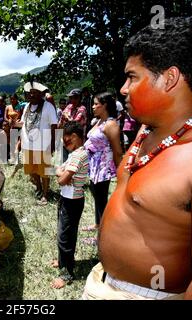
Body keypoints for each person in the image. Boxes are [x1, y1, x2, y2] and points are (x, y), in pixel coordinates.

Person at [83, 17, 192, 300]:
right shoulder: (147, 131)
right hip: (102, 281)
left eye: (132, 77)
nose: (123, 89)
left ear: (170, 78)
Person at [51, 121, 89, 289]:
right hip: (68, 198)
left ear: (74, 137)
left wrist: (62, 174)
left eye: (65, 139)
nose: (64, 144)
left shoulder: (77, 156)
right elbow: (60, 170)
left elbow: (61, 179)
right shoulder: (77, 153)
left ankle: (67, 274)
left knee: (65, 237)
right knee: (63, 232)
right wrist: (63, 173)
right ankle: (61, 262)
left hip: (72, 201)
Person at [82, 92, 122, 233]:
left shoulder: (111, 124)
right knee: (96, 196)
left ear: (104, 105)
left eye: (96, 104)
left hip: (103, 166)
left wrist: (120, 172)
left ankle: (104, 232)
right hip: (94, 165)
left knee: (101, 199)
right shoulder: (98, 121)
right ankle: (98, 224)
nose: (92, 107)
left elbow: (117, 151)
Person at [17, 81, 58, 205]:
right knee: (32, 170)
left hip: (43, 145)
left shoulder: (48, 107)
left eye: (35, 93)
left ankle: (46, 194)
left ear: (41, 94)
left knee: (45, 171)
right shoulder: (27, 106)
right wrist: (13, 123)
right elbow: (23, 124)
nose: (32, 95)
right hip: (27, 145)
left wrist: (52, 145)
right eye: (30, 93)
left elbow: (54, 126)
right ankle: (39, 188)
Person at [58, 89, 87, 163]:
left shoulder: (82, 109)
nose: (71, 99)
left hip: (75, 141)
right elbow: (61, 121)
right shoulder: (69, 107)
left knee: (73, 162)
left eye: (73, 97)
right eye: (70, 98)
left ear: (79, 98)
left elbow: (75, 125)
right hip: (65, 138)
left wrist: (67, 118)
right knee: (64, 162)